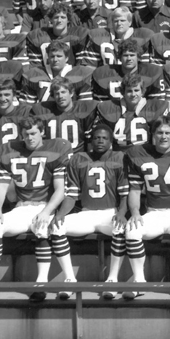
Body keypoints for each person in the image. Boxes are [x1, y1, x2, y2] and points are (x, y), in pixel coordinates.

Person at [0, 116, 71, 302]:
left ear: (42, 133)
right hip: (21, 208)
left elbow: (61, 189)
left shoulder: (55, 149)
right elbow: (1, 185)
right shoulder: (8, 151)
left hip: (43, 206)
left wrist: (47, 211)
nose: (30, 138)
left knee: (42, 229)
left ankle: (42, 282)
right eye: (26, 134)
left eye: (33, 133)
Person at [119, 118, 170, 299]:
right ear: (153, 135)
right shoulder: (138, 155)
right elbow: (134, 190)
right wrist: (134, 213)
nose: (163, 136)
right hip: (154, 213)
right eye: (159, 133)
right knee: (132, 230)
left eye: (167, 133)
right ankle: (139, 282)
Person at [49, 124, 127, 299]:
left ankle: (113, 279)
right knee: (56, 227)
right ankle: (70, 279)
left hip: (109, 213)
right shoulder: (78, 159)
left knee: (121, 228)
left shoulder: (119, 158)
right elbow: (71, 195)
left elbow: (125, 195)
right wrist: (60, 214)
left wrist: (121, 214)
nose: (100, 141)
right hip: (86, 213)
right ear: (91, 141)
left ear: (111, 141)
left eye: (104, 138)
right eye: (97, 137)